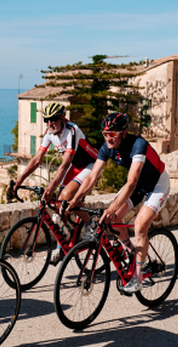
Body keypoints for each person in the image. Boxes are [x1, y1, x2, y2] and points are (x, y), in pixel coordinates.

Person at [66, 112, 170, 293]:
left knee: (139, 226)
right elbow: (92, 177)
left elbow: (131, 182)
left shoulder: (138, 145)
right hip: (138, 185)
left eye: (112, 134)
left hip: (157, 184)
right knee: (113, 220)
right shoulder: (106, 148)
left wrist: (112, 207)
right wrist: (74, 200)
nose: (108, 138)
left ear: (123, 133)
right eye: (105, 134)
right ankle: (132, 251)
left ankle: (137, 277)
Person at [11, 102, 99, 256]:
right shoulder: (49, 133)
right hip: (75, 166)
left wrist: (51, 188)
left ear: (62, 118)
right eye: (46, 120)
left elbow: (65, 164)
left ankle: (91, 226)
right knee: (59, 205)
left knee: (65, 197)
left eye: (53, 119)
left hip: (91, 164)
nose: (49, 123)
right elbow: (36, 159)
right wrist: (19, 182)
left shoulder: (72, 130)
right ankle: (62, 246)